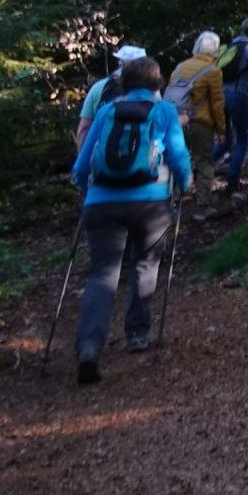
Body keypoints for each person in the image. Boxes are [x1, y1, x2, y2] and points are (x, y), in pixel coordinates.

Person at [70, 56, 190, 384]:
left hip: (102, 202)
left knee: (102, 275)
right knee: (145, 265)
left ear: (124, 83)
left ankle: (90, 347)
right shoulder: (164, 111)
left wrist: (85, 189)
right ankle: (138, 334)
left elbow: (82, 164)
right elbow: (179, 158)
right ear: (158, 84)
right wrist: (185, 183)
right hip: (150, 202)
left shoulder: (108, 109)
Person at [216, 16, 248, 197]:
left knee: (225, 140)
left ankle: (199, 170)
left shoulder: (229, 47)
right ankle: (232, 182)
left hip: (220, 96)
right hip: (239, 96)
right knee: (243, 140)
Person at [165, 32, 226, 169]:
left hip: (177, 120)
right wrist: (221, 131)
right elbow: (217, 103)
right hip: (200, 124)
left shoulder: (180, 67)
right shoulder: (214, 71)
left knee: (177, 161)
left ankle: (178, 189)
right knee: (204, 164)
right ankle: (202, 191)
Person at [74, 45, 146, 152]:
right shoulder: (151, 91)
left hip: (103, 159)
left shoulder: (100, 87)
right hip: (141, 159)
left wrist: (81, 159)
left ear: (119, 62)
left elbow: (84, 127)